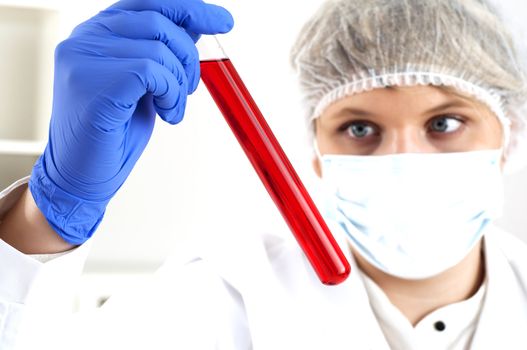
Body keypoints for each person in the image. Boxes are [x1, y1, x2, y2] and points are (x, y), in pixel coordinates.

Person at [1, 0, 527, 348]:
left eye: (445, 122)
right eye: (360, 129)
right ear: (316, 150)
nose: (404, 160)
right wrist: (48, 216)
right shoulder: (225, 292)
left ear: (508, 134)